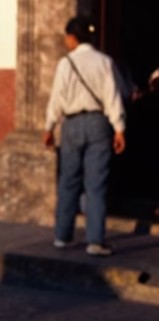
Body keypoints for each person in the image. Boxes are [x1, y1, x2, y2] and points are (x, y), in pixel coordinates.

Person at [43, 17, 126, 257]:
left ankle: (62, 236)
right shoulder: (105, 62)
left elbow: (56, 98)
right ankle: (95, 241)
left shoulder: (65, 64)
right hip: (99, 123)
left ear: (72, 37)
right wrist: (119, 128)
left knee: (68, 180)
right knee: (96, 184)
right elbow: (113, 96)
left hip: (70, 125)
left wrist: (49, 127)